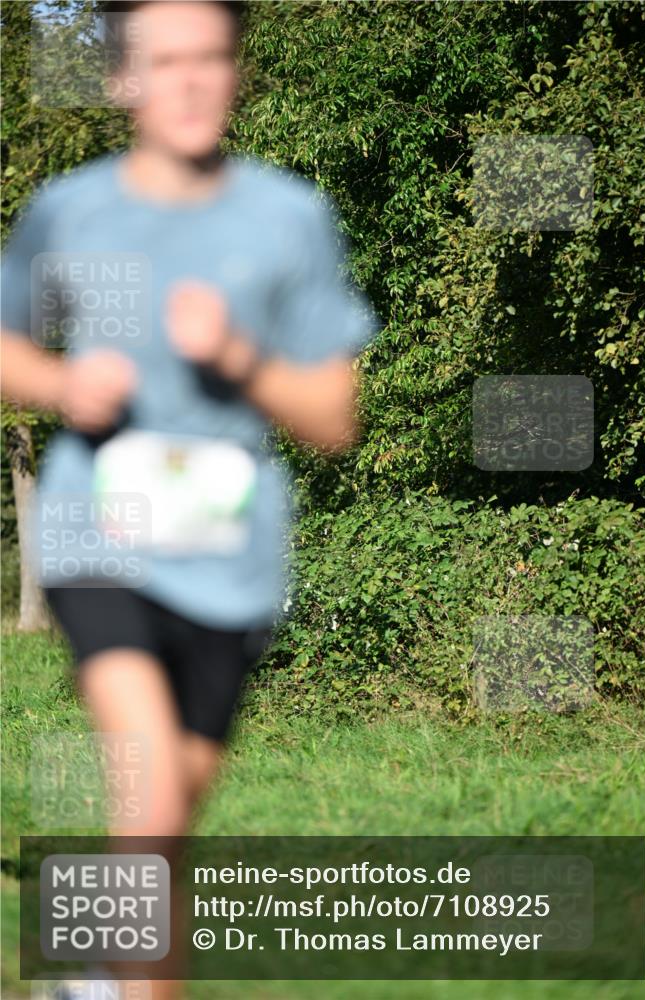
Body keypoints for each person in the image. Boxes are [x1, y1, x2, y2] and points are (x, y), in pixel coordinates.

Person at [0, 2, 380, 998]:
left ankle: (95, 975)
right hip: (101, 530)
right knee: (154, 785)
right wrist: (59, 386)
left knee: (169, 821)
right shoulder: (71, 210)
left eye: (212, 57)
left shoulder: (288, 217)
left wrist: (240, 356)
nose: (192, 80)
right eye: (165, 61)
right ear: (123, 80)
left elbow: (336, 417)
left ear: (236, 70)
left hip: (228, 555)